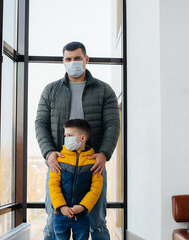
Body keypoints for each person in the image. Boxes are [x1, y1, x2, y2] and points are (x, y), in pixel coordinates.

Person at [35, 41, 120, 240]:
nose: (73, 62)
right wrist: (49, 153)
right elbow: (40, 123)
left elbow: (113, 125)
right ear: (63, 62)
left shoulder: (104, 90)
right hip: (59, 164)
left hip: (93, 166)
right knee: (53, 221)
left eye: (77, 58)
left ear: (86, 60)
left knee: (97, 222)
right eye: (68, 59)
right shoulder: (50, 91)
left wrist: (104, 153)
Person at [49, 119, 103, 240]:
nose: (66, 138)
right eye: (65, 135)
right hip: (60, 214)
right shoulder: (59, 160)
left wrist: (83, 206)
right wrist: (62, 206)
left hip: (82, 215)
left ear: (82, 138)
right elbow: (53, 186)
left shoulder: (94, 162)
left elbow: (96, 189)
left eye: (70, 135)